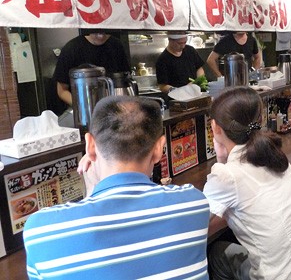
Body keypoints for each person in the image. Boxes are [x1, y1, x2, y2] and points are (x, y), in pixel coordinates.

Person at [23, 96, 210, 280]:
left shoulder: (40, 230)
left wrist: (92, 189)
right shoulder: (194, 203)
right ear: (158, 149)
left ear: (90, 146)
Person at [203, 87, 291, 280]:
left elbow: (199, 221)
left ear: (215, 128)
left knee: (217, 252)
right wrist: (223, 157)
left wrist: (221, 159)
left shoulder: (227, 175)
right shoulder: (273, 154)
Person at [53, 30, 130, 126]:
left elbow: (124, 80)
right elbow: (62, 91)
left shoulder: (116, 45)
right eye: (96, 32)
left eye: (105, 33)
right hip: (82, 116)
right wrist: (85, 108)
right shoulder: (71, 48)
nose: (101, 36)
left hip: (113, 113)